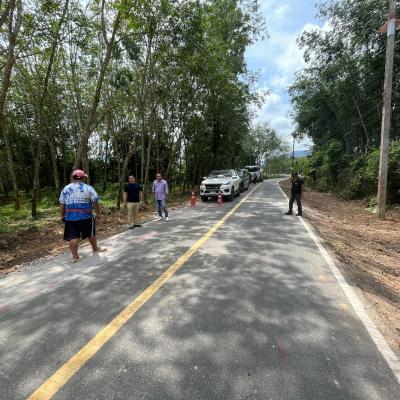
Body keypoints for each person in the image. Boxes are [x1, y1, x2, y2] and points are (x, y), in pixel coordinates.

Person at [59, 169, 107, 262]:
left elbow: (62, 204)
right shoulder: (88, 188)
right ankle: (95, 249)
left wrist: (62, 215)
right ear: (83, 178)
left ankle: (75, 257)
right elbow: (95, 202)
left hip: (70, 217)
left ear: (73, 178)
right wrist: (98, 214)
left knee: (73, 237)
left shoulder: (66, 188)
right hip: (86, 216)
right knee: (91, 233)